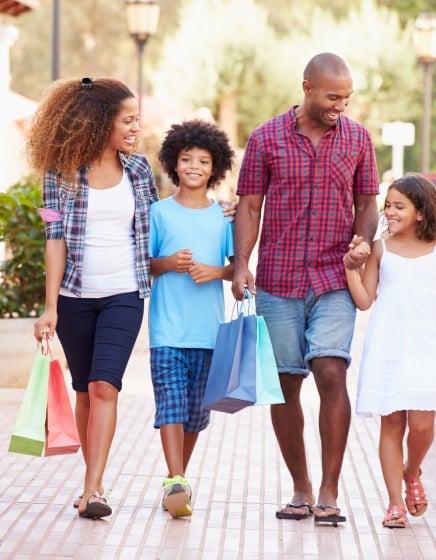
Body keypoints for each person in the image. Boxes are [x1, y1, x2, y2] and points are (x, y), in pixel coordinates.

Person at [231, 52, 379, 524]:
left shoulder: (357, 138)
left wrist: (362, 243)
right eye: (334, 97)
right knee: (287, 384)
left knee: (332, 371)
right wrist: (240, 265)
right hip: (279, 279)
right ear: (307, 88)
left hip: (336, 276)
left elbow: (368, 204)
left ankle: (330, 492)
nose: (342, 105)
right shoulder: (265, 138)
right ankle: (301, 487)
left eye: (348, 97)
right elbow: (250, 207)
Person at [27, 77, 160, 519]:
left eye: (136, 119)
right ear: (101, 122)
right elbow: (53, 237)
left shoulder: (140, 171)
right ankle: (92, 484)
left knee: (106, 385)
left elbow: (156, 227)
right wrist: (50, 307)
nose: (136, 127)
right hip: (74, 299)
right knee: (84, 389)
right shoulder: (58, 174)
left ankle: (94, 488)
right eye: (128, 119)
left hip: (125, 294)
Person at [149, 119, 236, 518]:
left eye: (204, 160)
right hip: (167, 329)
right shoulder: (158, 212)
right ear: (174, 163)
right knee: (170, 403)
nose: (195, 166)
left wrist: (213, 271)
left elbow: (239, 269)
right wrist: (168, 263)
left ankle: (177, 481)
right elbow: (144, 265)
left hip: (208, 332)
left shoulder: (224, 217)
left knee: (195, 415)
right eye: (187, 159)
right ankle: (174, 479)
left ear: (215, 167)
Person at [345, 174, 436, 529]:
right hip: (389, 344)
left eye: (400, 206)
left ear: (422, 212)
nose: (391, 212)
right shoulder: (380, 248)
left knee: (424, 426)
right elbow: (365, 301)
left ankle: (411, 471)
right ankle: (395, 504)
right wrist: (350, 269)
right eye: (389, 206)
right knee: (392, 422)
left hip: (427, 346)